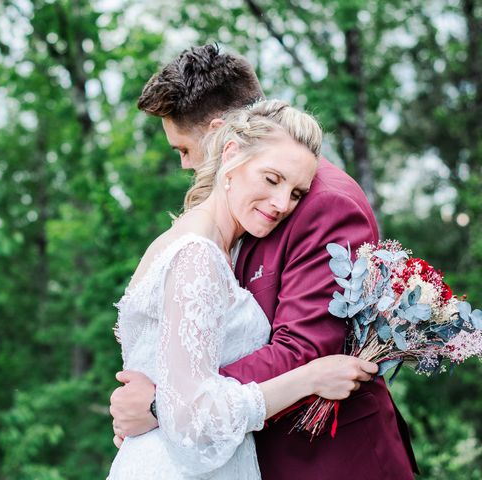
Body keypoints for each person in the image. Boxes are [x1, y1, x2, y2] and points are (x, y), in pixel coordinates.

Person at [110, 45, 418, 479]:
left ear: (222, 138)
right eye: (274, 182)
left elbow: (304, 349)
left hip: (326, 461)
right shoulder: (207, 230)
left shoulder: (322, 203)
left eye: (183, 149)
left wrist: (162, 405)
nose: (184, 164)